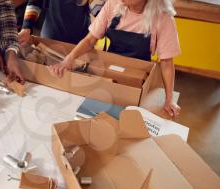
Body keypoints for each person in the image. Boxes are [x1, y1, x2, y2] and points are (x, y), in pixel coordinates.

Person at [50, 0, 181, 117]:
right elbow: (90, 40)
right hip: (107, 73)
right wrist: (69, 59)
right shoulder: (113, 4)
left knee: (126, 122)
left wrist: (169, 100)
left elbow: (166, 62)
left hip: (137, 80)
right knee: (92, 118)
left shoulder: (163, 18)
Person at [18, 0, 91, 45]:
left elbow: (97, 14)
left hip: (79, 43)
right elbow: (35, 2)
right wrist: (26, 28)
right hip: (50, 38)